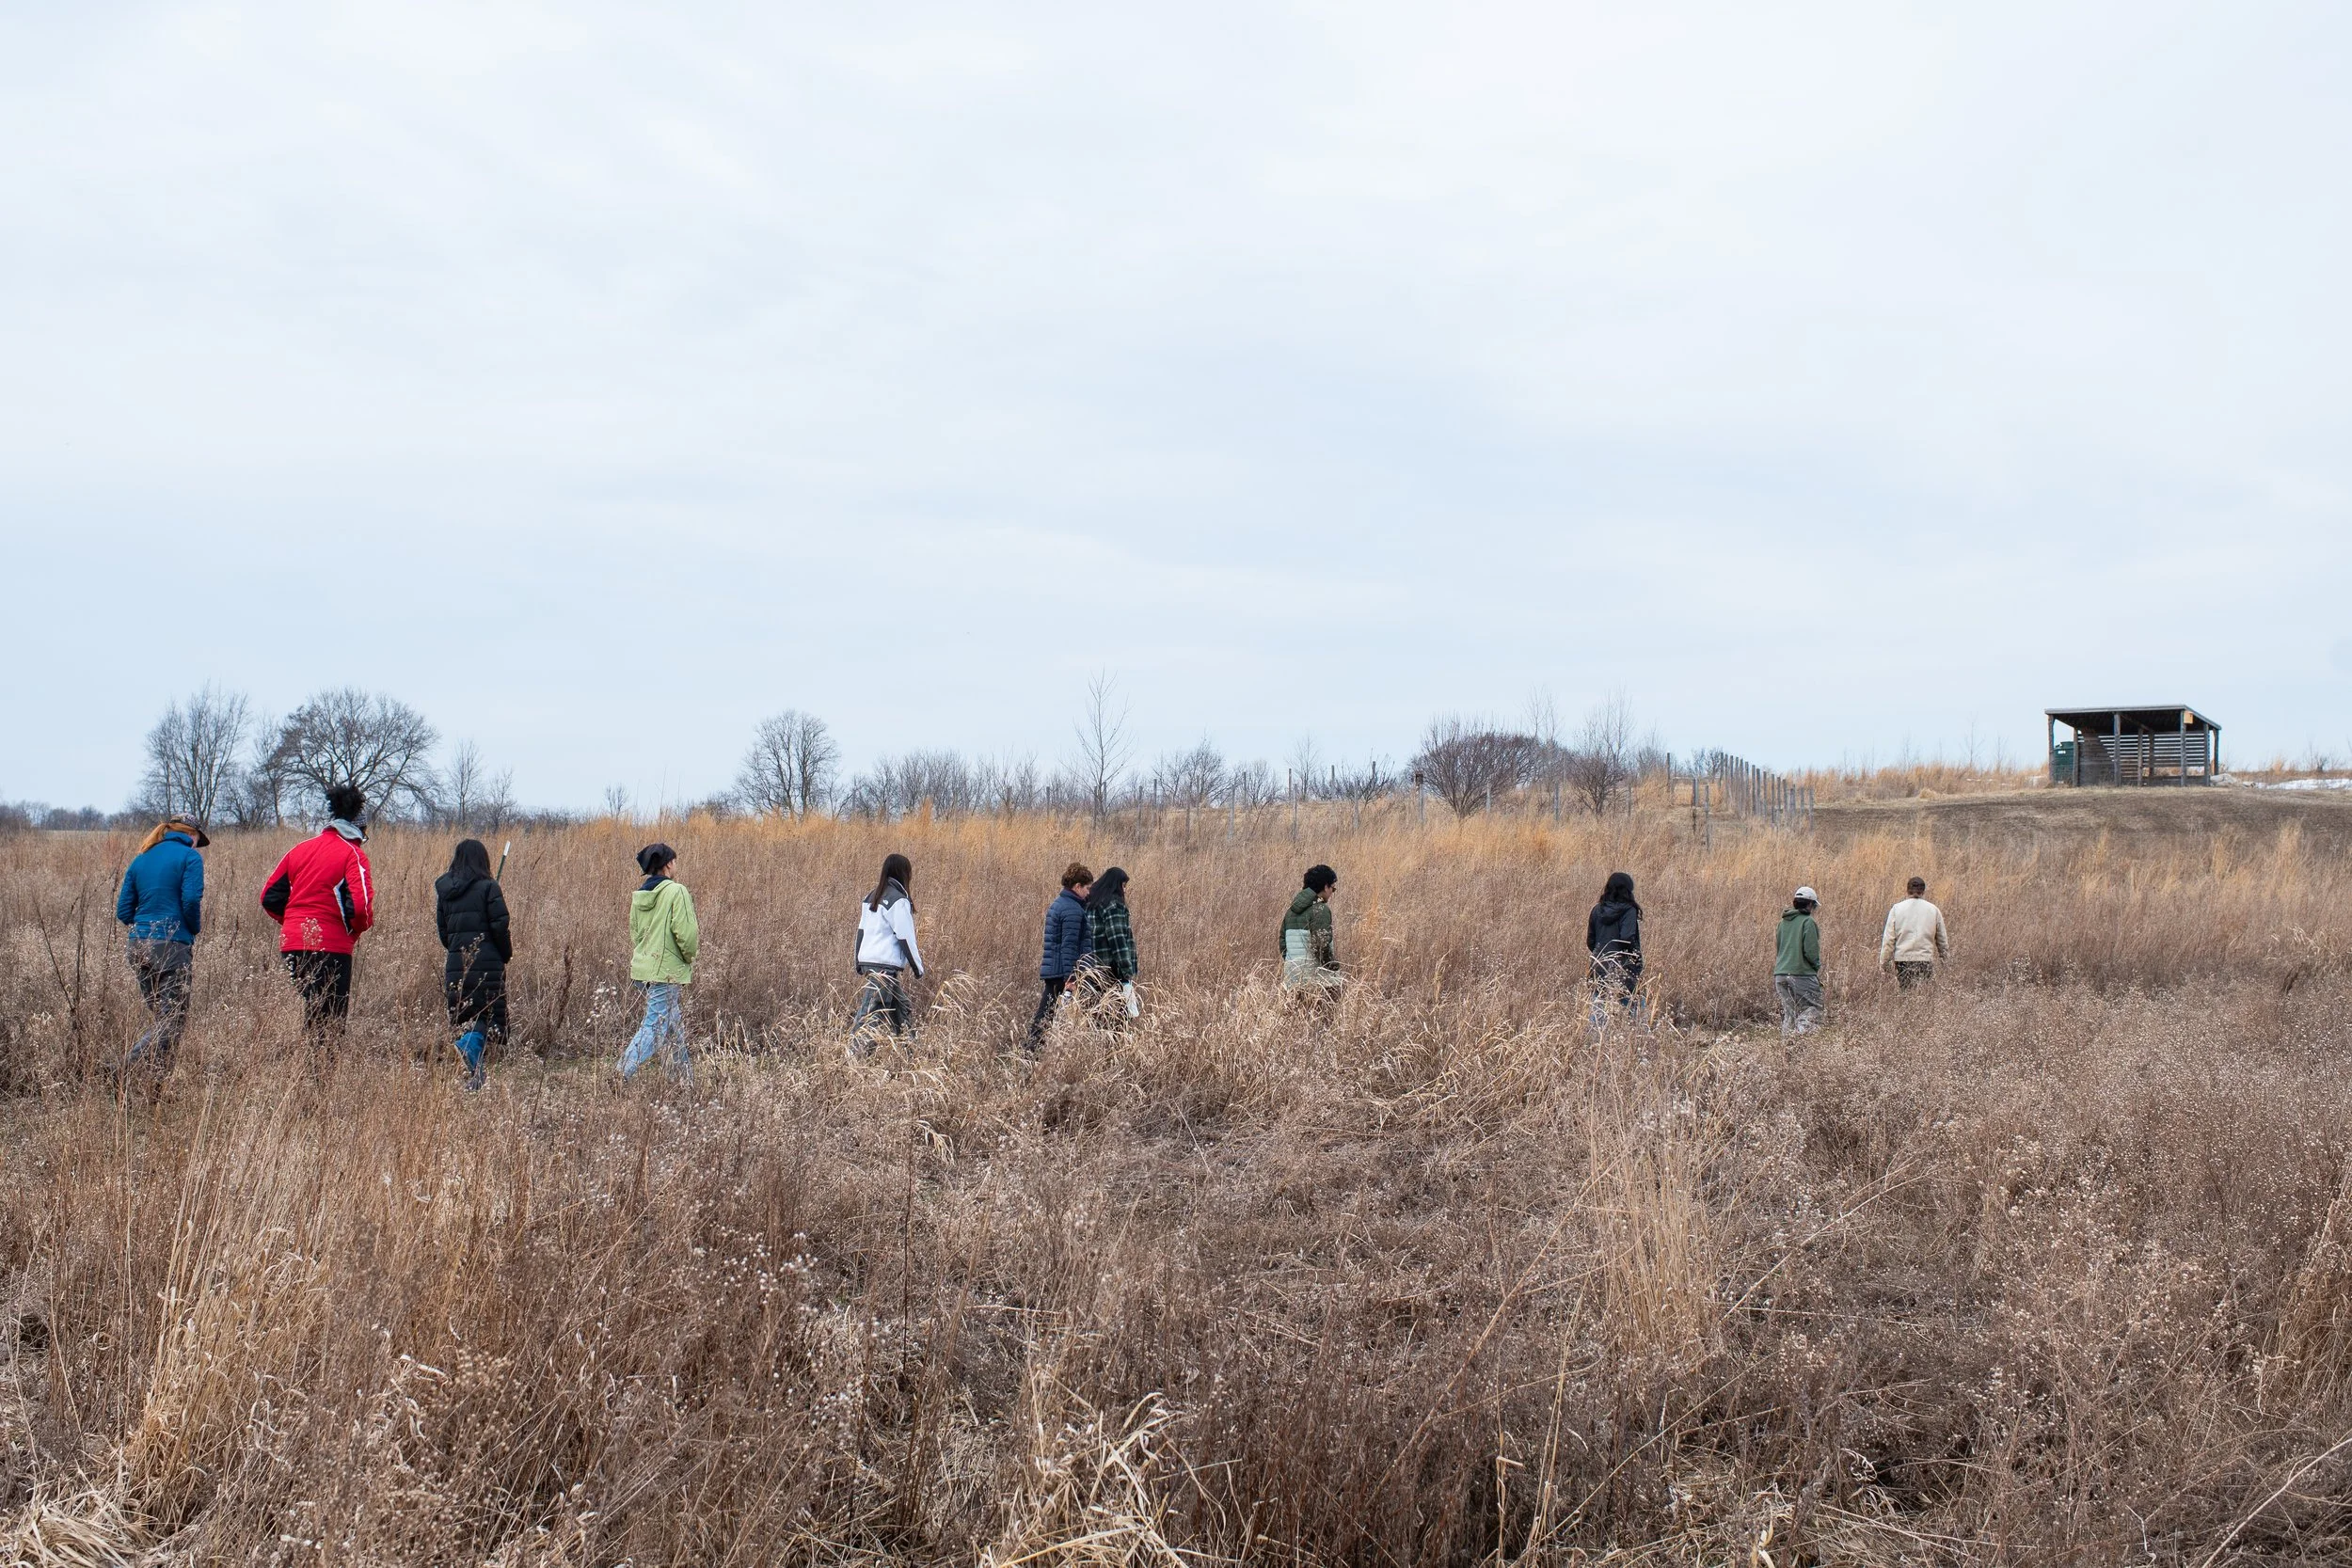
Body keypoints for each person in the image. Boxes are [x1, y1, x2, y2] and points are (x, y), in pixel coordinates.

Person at [261, 784, 375, 1039]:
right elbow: (361, 909)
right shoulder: (353, 854)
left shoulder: (298, 850)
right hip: (332, 946)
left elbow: (269, 898)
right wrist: (352, 931)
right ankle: (321, 1077)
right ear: (360, 829)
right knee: (331, 1020)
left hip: (292, 945)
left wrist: (294, 922)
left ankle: (306, 1074)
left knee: (315, 1010)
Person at [115, 814, 208, 1079]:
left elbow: (123, 912)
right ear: (192, 835)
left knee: (164, 1021)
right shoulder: (190, 858)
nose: (196, 845)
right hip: (172, 946)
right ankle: (124, 1069)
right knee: (172, 1020)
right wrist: (192, 928)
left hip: (138, 946)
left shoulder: (141, 858)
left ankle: (156, 1085)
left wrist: (147, 923)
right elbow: (191, 900)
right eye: (198, 840)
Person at [433, 839, 512, 1090]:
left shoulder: (445, 891)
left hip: (457, 963)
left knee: (469, 1015)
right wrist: (504, 953)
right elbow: (501, 926)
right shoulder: (490, 887)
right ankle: (465, 1048)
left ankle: (476, 1079)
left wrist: (459, 952)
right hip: (488, 961)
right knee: (487, 1016)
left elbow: (443, 932)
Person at [619, 843, 698, 1082]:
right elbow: (686, 934)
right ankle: (621, 1072)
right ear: (668, 864)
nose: (676, 865)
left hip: (643, 971)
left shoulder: (640, 896)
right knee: (655, 1027)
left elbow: (636, 934)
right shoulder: (677, 891)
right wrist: (687, 958)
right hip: (666, 972)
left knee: (673, 1027)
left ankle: (685, 1082)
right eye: (674, 860)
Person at [850, 852, 924, 1050]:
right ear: (903, 873)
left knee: (902, 1008)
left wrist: (858, 961)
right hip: (884, 966)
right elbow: (905, 937)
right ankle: (851, 1059)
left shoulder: (870, 897)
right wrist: (918, 968)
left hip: (871, 962)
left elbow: (861, 931)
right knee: (870, 1014)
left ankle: (910, 1053)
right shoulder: (898, 900)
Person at [1027, 863, 1094, 1047]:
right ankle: (1030, 1055)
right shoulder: (1072, 909)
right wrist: (1071, 978)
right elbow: (1068, 946)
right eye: (1087, 888)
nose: (1088, 893)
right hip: (1062, 974)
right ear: (1077, 886)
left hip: (1056, 971)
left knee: (1045, 1017)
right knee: (1045, 1019)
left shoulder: (1061, 903)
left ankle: (1030, 1055)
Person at [1080, 866, 1139, 1025]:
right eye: (1124, 886)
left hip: (1093, 968)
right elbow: (1118, 940)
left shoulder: (1092, 904)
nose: (1125, 891)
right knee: (1118, 1017)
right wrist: (1126, 971)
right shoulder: (1114, 906)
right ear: (1116, 885)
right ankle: (1116, 1048)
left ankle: (1098, 1046)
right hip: (1112, 970)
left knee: (1098, 1014)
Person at [1585, 870, 1644, 1026]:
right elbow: (1626, 937)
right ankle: (1638, 1038)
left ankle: (1594, 1043)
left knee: (1598, 1007)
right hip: (1624, 965)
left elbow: (1590, 941)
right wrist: (1628, 959)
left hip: (1599, 964)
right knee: (1634, 1004)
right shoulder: (1629, 910)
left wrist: (1603, 955)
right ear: (1627, 890)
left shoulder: (1597, 910)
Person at [1879, 877, 1951, 990]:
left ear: (1907, 890)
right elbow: (1942, 940)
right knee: (1924, 995)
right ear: (1923, 891)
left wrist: (1884, 963)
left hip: (1902, 960)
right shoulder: (1933, 910)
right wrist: (1946, 962)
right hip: (1925, 959)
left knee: (1906, 994)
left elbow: (1888, 940)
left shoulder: (1897, 909)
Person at [1279, 864, 1342, 991]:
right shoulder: (1320, 909)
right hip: (1318, 981)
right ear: (1325, 886)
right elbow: (1321, 945)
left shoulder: (1290, 912)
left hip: (1292, 978)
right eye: (1332, 888)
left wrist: (1293, 964)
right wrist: (1333, 966)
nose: (1331, 893)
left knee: (1297, 1011)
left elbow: (1282, 944)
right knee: (1325, 1011)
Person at [1773, 885, 1825, 1037]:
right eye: (1814, 905)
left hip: (1780, 975)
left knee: (1790, 1015)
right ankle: (1797, 1041)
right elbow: (1810, 952)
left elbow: (1780, 948)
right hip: (1802, 974)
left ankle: (1787, 1052)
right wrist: (1816, 967)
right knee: (1812, 1011)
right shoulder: (1808, 922)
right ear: (1810, 904)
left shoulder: (1782, 923)